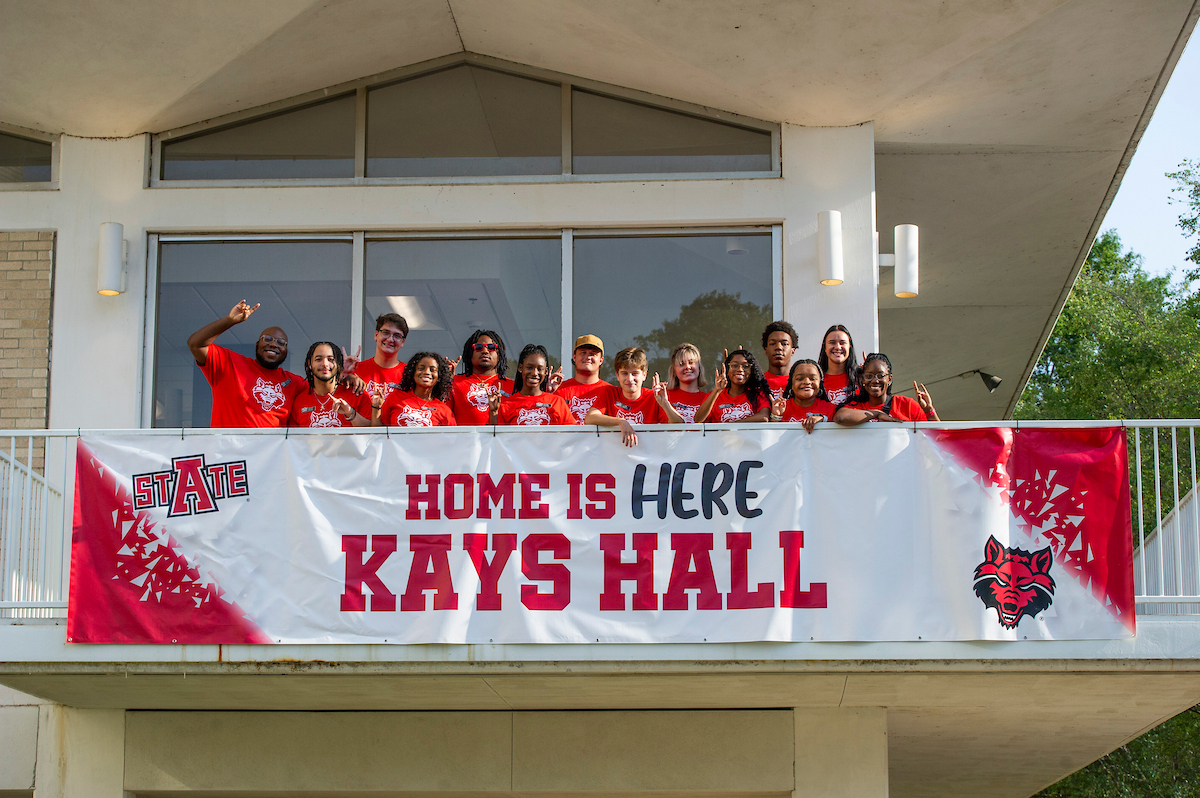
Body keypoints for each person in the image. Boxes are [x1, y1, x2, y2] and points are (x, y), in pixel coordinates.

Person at [186, 299, 306, 427]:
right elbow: (195, 344)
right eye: (268, 339)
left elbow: (321, 395)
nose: (273, 344)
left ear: (286, 351)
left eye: (281, 343)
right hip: (227, 446)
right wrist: (230, 320)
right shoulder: (230, 363)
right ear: (257, 345)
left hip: (270, 447)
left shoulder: (295, 383)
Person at [584, 347, 682, 446]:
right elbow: (590, 418)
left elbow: (679, 426)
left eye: (634, 373)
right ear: (617, 375)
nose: (630, 379)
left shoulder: (653, 397)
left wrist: (665, 404)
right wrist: (620, 421)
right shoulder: (609, 393)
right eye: (624, 373)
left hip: (646, 458)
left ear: (644, 375)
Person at [834, 352, 939, 424]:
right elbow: (840, 418)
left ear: (889, 379)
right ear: (862, 379)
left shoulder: (907, 405)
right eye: (869, 376)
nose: (875, 380)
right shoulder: (857, 407)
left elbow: (939, 439)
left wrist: (929, 410)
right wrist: (877, 413)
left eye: (880, 376)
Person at [288, 342, 372, 427]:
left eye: (330, 359)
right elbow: (291, 438)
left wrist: (350, 412)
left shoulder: (357, 393)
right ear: (310, 363)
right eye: (318, 359)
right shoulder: (299, 401)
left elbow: (374, 433)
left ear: (338, 364)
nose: (325, 364)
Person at [490, 344, 577, 426]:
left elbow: (573, 436)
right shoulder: (507, 405)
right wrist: (493, 413)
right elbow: (497, 438)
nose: (535, 373)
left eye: (540, 369)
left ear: (546, 372)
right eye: (529, 367)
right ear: (520, 368)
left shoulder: (557, 402)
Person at [450, 330, 516, 425]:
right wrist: (444, 380)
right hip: (466, 439)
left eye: (491, 347)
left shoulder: (513, 387)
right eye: (478, 347)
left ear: (499, 354)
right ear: (470, 353)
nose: (485, 351)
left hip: (501, 439)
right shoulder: (455, 382)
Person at [373, 352, 456, 427]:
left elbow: (452, 440)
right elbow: (378, 435)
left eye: (432, 370)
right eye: (421, 368)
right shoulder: (395, 398)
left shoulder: (444, 410)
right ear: (413, 373)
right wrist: (376, 407)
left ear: (439, 377)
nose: (427, 372)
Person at [695, 348, 771, 423]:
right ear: (728, 370)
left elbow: (764, 417)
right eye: (734, 365)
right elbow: (698, 419)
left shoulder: (757, 394)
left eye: (746, 366)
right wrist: (716, 390)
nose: (740, 369)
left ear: (752, 371)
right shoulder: (715, 396)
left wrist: (731, 426)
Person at [554, 334, 614, 424]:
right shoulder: (559, 391)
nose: (588, 357)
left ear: (601, 360)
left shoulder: (611, 392)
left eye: (592, 354)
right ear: (574, 357)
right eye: (583, 353)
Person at [352, 313, 409, 406]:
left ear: (403, 342)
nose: (390, 339)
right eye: (386, 333)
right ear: (376, 335)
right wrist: (344, 373)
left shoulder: (409, 375)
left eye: (397, 336)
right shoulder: (355, 371)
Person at [770, 359, 838, 433]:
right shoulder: (781, 408)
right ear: (791, 384)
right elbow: (771, 437)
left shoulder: (831, 410)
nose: (807, 382)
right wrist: (776, 417)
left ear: (820, 384)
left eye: (812, 379)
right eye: (800, 379)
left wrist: (823, 419)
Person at [664, 342, 709, 423]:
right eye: (681, 364)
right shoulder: (663, 396)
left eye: (691, 362)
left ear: (699, 367)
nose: (687, 367)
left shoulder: (709, 399)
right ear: (674, 370)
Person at [817, 324, 860, 406]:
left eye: (842, 343)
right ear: (825, 347)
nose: (837, 347)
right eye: (832, 343)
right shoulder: (815, 381)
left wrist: (870, 371)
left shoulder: (861, 378)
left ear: (849, 347)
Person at [761, 321, 798, 402]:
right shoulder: (756, 384)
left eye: (784, 344)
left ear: (793, 351)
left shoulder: (801, 384)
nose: (778, 347)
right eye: (773, 343)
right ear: (766, 350)